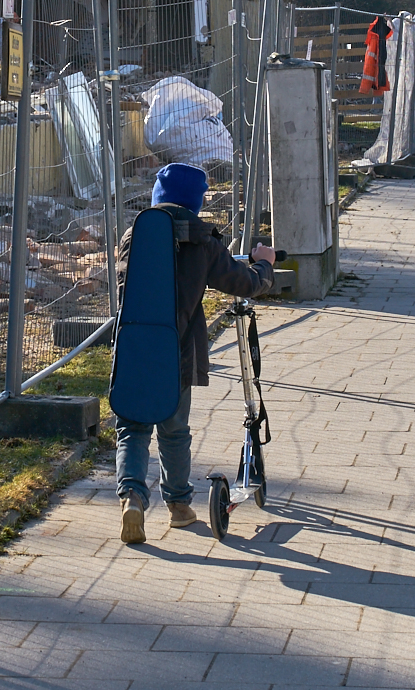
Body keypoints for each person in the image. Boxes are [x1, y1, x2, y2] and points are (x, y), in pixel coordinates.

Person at [114, 163, 278, 544]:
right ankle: (179, 508)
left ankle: (133, 499)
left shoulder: (133, 234)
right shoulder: (203, 241)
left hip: (133, 349)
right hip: (178, 353)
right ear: (197, 200)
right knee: (174, 432)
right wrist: (264, 262)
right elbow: (246, 283)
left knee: (132, 429)